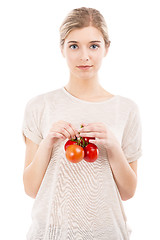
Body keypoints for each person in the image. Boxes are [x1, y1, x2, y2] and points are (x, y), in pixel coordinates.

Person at [22, 7, 142, 240]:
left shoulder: (126, 109)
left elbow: (128, 192)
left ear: (107, 48)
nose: (84, 56)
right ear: (62, 49)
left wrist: (113, 146)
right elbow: (30, 189)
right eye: (74, 46)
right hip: (50, 233)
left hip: (107, 233)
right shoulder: (39, 106)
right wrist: (48, 142)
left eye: (94, 45)